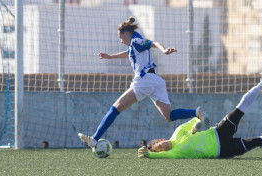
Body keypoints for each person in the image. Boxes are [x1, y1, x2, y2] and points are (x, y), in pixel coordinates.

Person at [78, 17, 208, 148]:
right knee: (169, 116)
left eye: (120, 37)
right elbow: (128, 53)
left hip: (144, 81)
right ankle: (196, 112)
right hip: (156, 81)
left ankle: (94, 139)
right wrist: (110, 56)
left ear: (126, 33)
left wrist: (163, 50)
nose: (121, 41)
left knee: (115, 108)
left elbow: (154, 43)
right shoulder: (134, 44)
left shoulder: (136, 41)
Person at [138, 72, 262, 159]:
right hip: (223, 151)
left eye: (159, 146)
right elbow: (159, 157)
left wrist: (199, 122)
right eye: (161, 151)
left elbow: (197, 118)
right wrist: (148, 155)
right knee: (256, 141)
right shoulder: (174, 153)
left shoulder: (178, 133)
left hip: (217, 132)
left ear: (161, 140)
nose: (163, 149)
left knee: (239, 109)